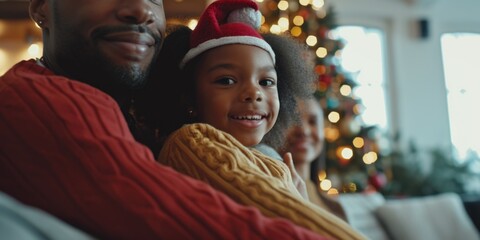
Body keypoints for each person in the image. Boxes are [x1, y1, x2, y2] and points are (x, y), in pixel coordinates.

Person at [0, 0, 336, 239]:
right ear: (42, 7)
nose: (142, 10)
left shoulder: (131, 118)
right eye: (226, 80)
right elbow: (173, 212)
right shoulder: (39, 102)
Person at [135, 1, 365, 239]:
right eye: (226, 80)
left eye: (266, 82)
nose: (254, 93)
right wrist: (298, 203)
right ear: (189, 97)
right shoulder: (189, 143)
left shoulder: (266, 154)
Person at [278, 96, 348, 220]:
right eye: (292, 121)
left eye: (313, 122)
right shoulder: (276, 193)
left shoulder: (334, 207)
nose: (304, 131)